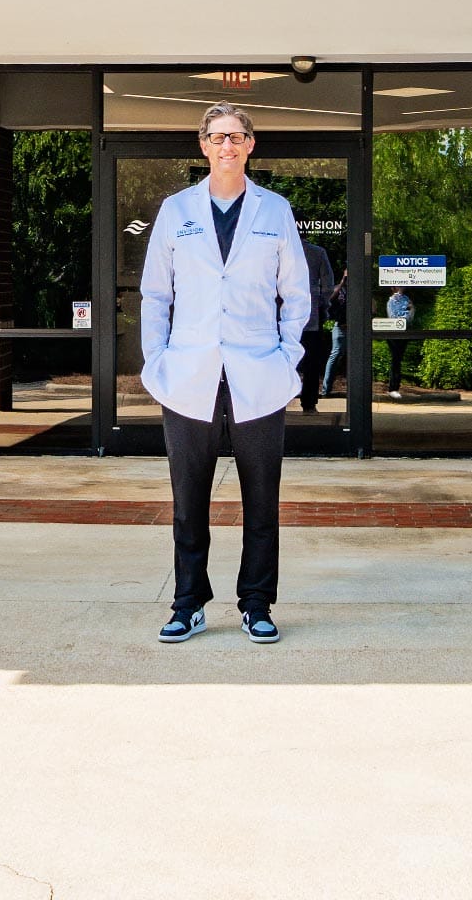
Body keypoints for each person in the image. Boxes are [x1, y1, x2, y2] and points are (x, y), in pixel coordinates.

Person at [139, 101, 310, 645]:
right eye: (218, 137)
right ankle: (188, 602)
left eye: (237, 136)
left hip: (258, 376)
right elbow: (154, 295)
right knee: (189, 501)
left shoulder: (275, 210)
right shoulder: (175, 210)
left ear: (251, 145)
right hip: (189, 378)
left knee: (263, 500)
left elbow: (296, 295)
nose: (228, 146)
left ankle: (256, 603)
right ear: (204, 147)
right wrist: (156, 362)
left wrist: (287, 359)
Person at [296, 237, 336, 413]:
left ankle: (275, 403)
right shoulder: (317, 252)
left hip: (279, 315)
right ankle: (309, 402)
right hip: (311, 316)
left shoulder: (277, 250)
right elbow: (328, 286)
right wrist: (323, 306)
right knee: (311, 363)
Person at [385, 285, 415, 397]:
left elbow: (410, 315)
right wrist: (406, 315)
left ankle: (395, 386)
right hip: (394, 332)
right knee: (395, 359)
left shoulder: (406, 299)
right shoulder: (391, 300)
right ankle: (393, 387)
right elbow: (393, 317)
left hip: (405, 331)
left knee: (398, 359)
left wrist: (409, 312)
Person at [321, 270, 347, 398]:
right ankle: (326, 389)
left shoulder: (359, 290)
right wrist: (343, 282)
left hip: (355, 328)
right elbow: (329, 300)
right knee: (335, 355)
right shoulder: (339, 289)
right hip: (340, 327)